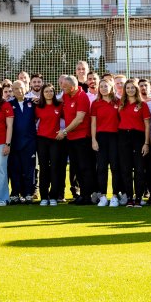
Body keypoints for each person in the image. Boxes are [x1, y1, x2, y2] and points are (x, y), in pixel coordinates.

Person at [58, 75, 94, 205]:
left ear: (72, 87)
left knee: (85, 167)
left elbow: (79, 119)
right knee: (76, 167)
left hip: (82, 137)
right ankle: (81, 196)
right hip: (71, 138)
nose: (62, 88)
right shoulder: (66, 96)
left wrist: (65, 131)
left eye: (65, 86)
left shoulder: (82, 96)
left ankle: (87, 196)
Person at [117, 78, 150, 208]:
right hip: (123, 136)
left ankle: (139, 197)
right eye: (128, 88)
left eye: (132, 87)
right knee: (125, 169)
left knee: (139, 169)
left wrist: (146, 143)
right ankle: (129, 198)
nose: (130, 90)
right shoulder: (121, 104)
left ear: (136, 89)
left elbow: (147, 125)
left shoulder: (143, 105)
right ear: (125, 90)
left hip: (138, 137)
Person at [90, 78, 122, 207]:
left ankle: (115, 196)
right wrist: (94, 140)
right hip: (101, 138)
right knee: (101, 168)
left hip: (115, 137)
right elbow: (93, 123)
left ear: (111, 87)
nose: (103, 88)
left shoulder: (118, 102)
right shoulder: (96, 103)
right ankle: (103, 196)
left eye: (106, 86)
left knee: (115, 167)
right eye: (101, 86)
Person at [34, 83, 65, 206]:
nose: (49, 93)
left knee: (55, 168)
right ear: (42, 93)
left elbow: (68, 118)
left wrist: (63, 131)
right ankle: (44, 197)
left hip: (55, 140)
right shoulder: (38, 107)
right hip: (41, 140)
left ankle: (53, 196)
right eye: (46, 91)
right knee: (44, 168)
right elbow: (34, 120)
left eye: (51, 91)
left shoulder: (59, 106)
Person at [7, 79, 38, 203]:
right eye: (15, 88)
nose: (18, 90)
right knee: (15, 169)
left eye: (21, 87)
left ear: (26, 88)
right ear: (12, 91)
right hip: (14, 142)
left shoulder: (33, 102)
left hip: (30, 143)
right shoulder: (9, 104)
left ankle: (28, 193)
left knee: (29, 169)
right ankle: (15, 193)